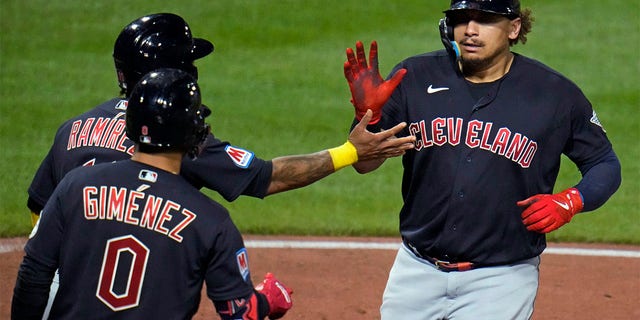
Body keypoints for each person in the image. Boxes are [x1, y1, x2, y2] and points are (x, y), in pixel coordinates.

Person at [342, 1, 621, 319]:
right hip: (415, 270)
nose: (470, 30)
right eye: (461, 19)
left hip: (501, 280)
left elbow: (604, 163)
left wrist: (572, 200)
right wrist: (369, 118)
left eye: (485, 20)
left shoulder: (554, 94)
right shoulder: (416, 76)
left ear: (514, 28)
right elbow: (363, 163)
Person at [27, 12, 416, 225]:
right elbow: (269, 177)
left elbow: (37, 205)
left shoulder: (73, 128)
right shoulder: (173, 139)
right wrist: (350, 152)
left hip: (58, 277)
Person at [12, 68, 294, 320]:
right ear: (193, 134)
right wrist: (267, 299)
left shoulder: (75, 185)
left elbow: (33, 277)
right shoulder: (211, 221)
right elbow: (241, 314)